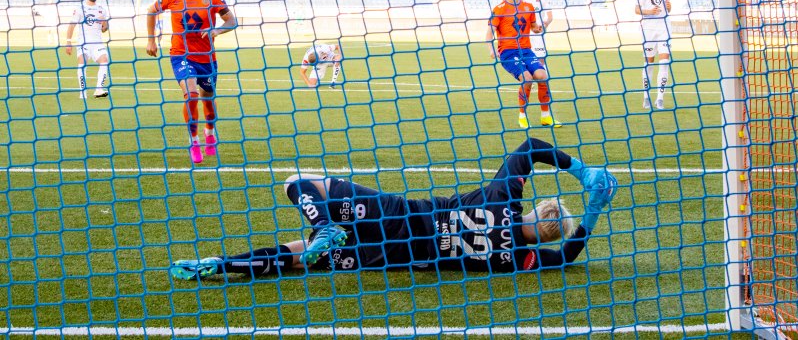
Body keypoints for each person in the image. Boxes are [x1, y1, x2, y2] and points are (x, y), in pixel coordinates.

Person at [169, 136, 617, 280]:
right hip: (394, 257)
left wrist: (581, 173)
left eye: (550, 213)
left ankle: (316, 229)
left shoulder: (504, 197)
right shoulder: (520, 260)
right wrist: (593, 211)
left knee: (297, 184)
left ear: (537, 213)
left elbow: (530, 148)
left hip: (396, 215)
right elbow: (570, 256)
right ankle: (221, 264)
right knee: (298, 257)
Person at [145, 0, 237, 164]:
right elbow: (150, 12)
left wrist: (217, 31)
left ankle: (209, 131)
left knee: (208, 100)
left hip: (207, 58)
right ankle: (194, 140)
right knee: (191, 95)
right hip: (181, 55)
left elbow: (231, 21)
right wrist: (151, 40)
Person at [486, 0, 558, 129]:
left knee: (542, 76)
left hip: (526, 50)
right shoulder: (499, 9)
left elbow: (533, 27)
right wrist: (491, 49)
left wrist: (538, 28)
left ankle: (546, 116)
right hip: (508, 53)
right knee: (527, 78)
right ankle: (522, 116)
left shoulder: (528, 7)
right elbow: (489, 32)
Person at [520, 0, 560, 127]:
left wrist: (544, 25)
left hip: (537, 35)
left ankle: (545, 115)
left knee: (542, 71)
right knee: (527, 74)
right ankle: (522, 115)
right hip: (524, 36)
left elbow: (549, 16)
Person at [635, 0, 672, 110]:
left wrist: (669, 7)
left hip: (664, 27)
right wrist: (649, 12)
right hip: (648, 28)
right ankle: (646, 97)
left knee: (664, 62)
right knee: (649, 62)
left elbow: (668, 8)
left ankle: (660, 98)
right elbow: (637, 9)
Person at [65, 0, 110, 99]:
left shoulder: (101, 9)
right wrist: (68, 42)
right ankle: (83, 92)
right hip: (83, 42)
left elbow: (104, 29)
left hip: (97, 43)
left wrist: (104, 22)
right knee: (82, 62)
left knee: (104, 60)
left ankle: (99, 89)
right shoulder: (80, 8)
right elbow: (72, 25)